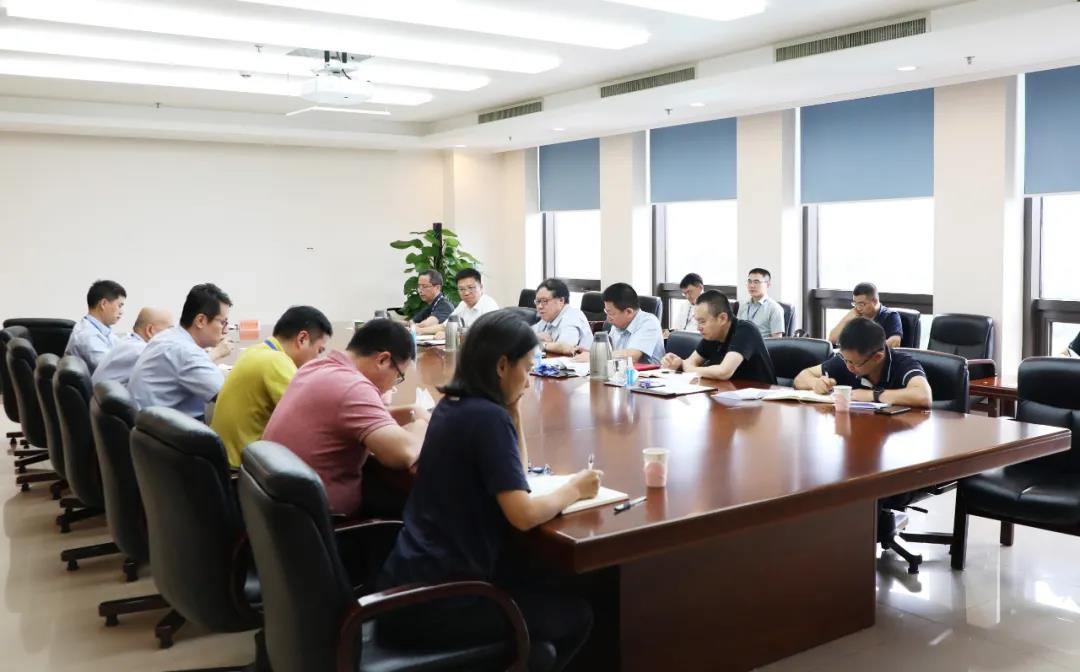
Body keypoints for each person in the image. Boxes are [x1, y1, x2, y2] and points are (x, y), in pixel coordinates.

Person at [377, 310, 599, 671]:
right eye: (527, 368)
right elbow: (523, 515)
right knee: (576, 615)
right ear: (502, 366)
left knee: (543, 608)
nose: (529, 380)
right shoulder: (486, 418)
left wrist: (514, 410)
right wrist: (575, 488)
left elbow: (518, 477)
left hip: (409, 586)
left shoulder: (453, 406)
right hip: (442, 601)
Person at [262, 319, 429, 517]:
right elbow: (404, 453)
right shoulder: (353, 386)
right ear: (383, 360)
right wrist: (421, 423)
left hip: (283, 510)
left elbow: (349, 415)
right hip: (327, 521)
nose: (394, 383)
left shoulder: (317, 367)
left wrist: (411, 410)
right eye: (398, 376)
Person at [211, 306, 333, 468]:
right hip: (240, 470)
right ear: (302, 339)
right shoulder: (276, 361)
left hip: (221, 460)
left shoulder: (256, 350)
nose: (317, 359)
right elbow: (312, 420)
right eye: (319, 350)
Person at [128, 283, 234, 419]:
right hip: (167, 429)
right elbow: (228, 396)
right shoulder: (186, 352)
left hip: (149, 425)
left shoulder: (168, 336)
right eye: (223, 322)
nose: (226, 330)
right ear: (200, 320)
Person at [795, 317, 932, 408]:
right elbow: (801, 377)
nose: (849, 367)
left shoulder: (903, 364)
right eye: (846, 360)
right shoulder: (846, 361)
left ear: (877, 357)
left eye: (855, 363)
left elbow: (923, 396)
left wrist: (873, 395)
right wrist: (816, 383)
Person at [661, 290, 776, 384]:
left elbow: (724, 372)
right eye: (697, 321)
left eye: (702, 321)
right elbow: (690, 362)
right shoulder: (712, 335)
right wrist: (679, 364)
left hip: (762, 399)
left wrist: (690, 369)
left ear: (722, 318)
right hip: (729, 395)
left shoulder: (746, 330)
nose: (698, 327)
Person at [91, 306, 173, 387]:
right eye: (169, 330)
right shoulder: (142, 352)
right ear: (150, 330)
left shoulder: (127, 341)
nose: (172, 336)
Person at [65, 279, 126, 373]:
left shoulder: (102, 331)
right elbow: (112, 370)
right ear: (103, 304)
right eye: (120, 306)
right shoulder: (87, 335)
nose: (121, 312)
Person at [418, 268, 498, 335]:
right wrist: (420, 331)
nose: (466, 293)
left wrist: (450, 334)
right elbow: (445, 326)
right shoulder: (463, 304)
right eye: (461, 289)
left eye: (471, 287)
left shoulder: (488, 305)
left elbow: (486, 334)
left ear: (481, 287)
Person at [603, 283, 664, 365]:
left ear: (629, 312)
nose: (608, 318)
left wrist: (598, 356)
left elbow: (632, 357)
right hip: (622, 371)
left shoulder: (649, 322)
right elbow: (611, 352)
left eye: (611, 313)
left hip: (649, 373)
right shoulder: (617, 324)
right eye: (606, 312)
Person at [828, 282, 903, 348]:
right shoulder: (856, 314)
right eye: (855, 303)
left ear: (875, 301)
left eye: (861, 304)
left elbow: (895, 342)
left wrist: (865, 350)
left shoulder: (890, 316)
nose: (858, 308)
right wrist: (846, 319)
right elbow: (832, 340)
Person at [532, 278, 594, 356]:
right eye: (538, 301)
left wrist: (541, 344)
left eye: (545, 301)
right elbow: (523, 335)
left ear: (561, 300)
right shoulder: (547, 317)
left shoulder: (572, 316)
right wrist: (536, 336)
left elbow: (566, 347)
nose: (540, 306)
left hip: (579, 363)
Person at [737, 268, 785, 338]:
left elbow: (777, 340)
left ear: (768, 285)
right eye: (749, 281)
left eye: (756, 282)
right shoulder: (743, 306)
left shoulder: (775, 309)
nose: (752, 285)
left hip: (762, 345)